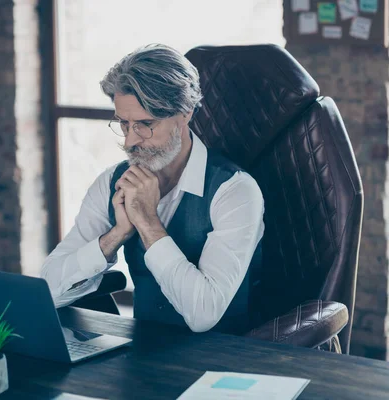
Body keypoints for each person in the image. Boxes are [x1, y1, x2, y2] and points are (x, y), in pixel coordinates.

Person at [40, 44, 264, 333]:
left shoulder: (236, 191)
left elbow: (204, 316)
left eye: (145, 124)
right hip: (141, 353)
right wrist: (115, 236)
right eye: (124, 124)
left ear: (184, 114)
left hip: (221, 361)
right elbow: (49, 289)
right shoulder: (112, 182)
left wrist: (147, 223)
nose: (131, 141)